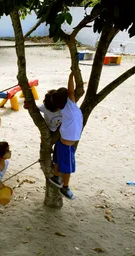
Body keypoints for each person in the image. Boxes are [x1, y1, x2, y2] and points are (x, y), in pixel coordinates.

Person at [47, 72, 83, 200]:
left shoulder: (67, 105)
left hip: (62, 143)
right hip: (66, 146)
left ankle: (56, 177)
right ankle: (65, 187)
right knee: (67, 169)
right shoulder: (70, 105)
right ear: (67, 98)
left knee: (57, 160)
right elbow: (71, 91)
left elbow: (71, 91)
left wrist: (71, 76)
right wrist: (71, 76)